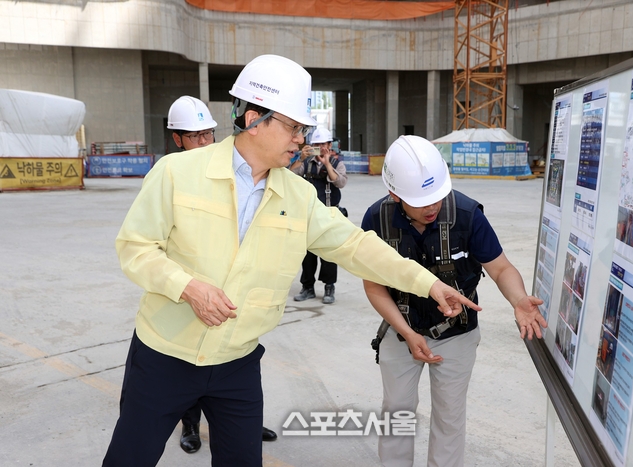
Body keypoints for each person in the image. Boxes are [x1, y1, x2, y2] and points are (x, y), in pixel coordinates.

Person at [103, 54, 476, 467]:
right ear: (253, 119)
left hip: (237, 364)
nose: (301, 139)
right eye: (293, 127)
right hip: (163, 357)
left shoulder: (298, 196)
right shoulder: (177, 173)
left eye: (303, 129)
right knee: (129, 458)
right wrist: (187, 287)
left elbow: (356, 246)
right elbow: (135, 248)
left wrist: (428, 283)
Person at [361, 135, 547, 467]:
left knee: (449, 416)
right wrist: (407, 332)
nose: (432, 207)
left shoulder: (467, 214)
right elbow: (374, 286)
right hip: (401, 330)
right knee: (397, 412)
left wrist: (518, 298)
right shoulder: (376, 219)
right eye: (421, 201)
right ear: (395, 194)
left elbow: (501, 268)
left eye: (437, 196)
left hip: (457, 334)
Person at [166, 96, 278, 454]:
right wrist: (187, 287)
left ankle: (242, 423)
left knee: (238, 367)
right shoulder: (172, 176)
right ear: (177, 139)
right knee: (188, 366)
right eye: (194, 136)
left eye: (208, 134)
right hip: (189, 299)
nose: (204, 142)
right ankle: (190, 425)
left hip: (234, 301)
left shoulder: (233, 170)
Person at [290, 126, 347, 304]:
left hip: (330, 214)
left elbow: (340, 182)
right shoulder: (306, 163)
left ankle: (329, 287)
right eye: (317, 144)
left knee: (329, 254)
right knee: (307, 254)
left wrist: (327, 163)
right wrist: (301, 158)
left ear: (330, 145)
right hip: (309, 215)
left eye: (324, 144)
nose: (321, 148)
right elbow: (289, 175)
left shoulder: (337, 164)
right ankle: (307, 287)